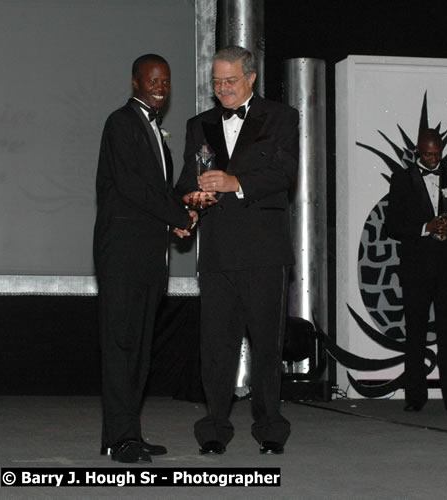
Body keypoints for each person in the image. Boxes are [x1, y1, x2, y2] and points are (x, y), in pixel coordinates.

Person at [176, 45, 299, 455]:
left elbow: (283, 175)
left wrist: (233, 183)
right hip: (217, 252)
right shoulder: (200, 124)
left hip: (265, 251)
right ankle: (213, 428)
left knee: (267, 345)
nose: (223, 89)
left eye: (230, 81)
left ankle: (269, 429)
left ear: (251, 79)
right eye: (216, 82)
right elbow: (185, 181)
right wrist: (193, 198)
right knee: (216, 346)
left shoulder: (281, 117)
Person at [93, 54, 197, 462]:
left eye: (166, 82)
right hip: (123, 256)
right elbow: (133, 186)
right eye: (153, 80)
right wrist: (177, 214)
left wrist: (183, 212)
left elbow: (155, 192)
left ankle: (123, 432)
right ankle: (122, 439)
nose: (160, 87)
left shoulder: (155, 131)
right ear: (135, 82)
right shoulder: (121, 123)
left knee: (137, 350)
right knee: (122, 347)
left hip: (149, 258)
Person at [384, 128, 447, 412]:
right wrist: (426, 228)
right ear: (417, 151)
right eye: (427, 154)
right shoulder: (402, 179)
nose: (432, 159)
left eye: (437, 154)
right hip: (415, 267)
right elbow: (392, 225)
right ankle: (415, 397)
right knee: (415, 333)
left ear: (442, 150)